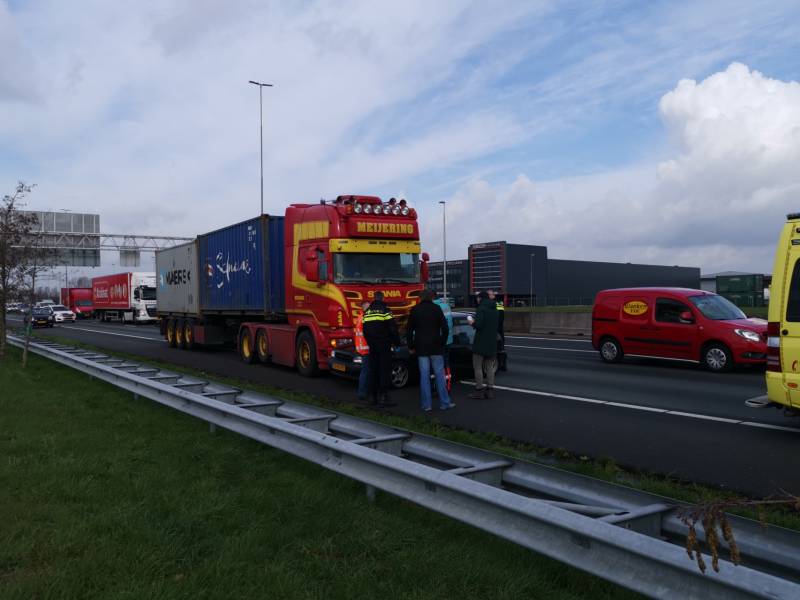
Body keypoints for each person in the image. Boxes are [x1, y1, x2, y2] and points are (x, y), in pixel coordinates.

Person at [407, 289, 453, 412]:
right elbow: (445, 328)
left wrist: (411, 346)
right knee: (439, 375)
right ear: (432, 297)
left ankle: (426, 405)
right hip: (436, 347)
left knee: (424, 376)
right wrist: (442, 342)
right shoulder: (437, 309)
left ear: (420, 298)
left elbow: (409, 330)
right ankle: (445, 402)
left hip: (421, 347)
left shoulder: (415, 310)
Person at [363, 291, 401, 407]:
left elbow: (364, 330)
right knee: (384, 371)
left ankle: (371, 397)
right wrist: (397, 342)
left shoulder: (367, 312)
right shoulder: (385, 310)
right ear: (383, 298)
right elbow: (392, 328)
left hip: (372, 346)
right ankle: (383, 397)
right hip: (384, 345)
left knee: (373, 370)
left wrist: (370, 342)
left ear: (374, 298)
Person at [469, 290, 499, 399]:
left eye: (478, 298)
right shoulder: (495, 310)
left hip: (481, 342)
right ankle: (490, 389)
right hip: (491, 342)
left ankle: (479, 390)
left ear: (481, 298)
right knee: (489, 367)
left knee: (477, 367)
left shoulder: (481, 309)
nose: (477, 300)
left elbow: (479, 325)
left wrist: (472, 322)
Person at [353, 301, 371, 402]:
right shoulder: (365, 318)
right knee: (366, 372)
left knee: (365, 371)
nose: (370, 309)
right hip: (366, 349)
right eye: (368, 307)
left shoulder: (360, 317)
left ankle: (362, 392)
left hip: (362, 348)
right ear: (364, 307)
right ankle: (363, 393)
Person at [433, 292, 454, 376]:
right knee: (446, 362)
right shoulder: (446, 306)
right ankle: (448, 381)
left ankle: (437, 383)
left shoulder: (433, 307)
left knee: (437, 364)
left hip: (438, 340)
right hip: (448, 340)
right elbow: (450, 322)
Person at [489, 290, 507, 371]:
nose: (488, 296)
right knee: (501, 348)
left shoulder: (495, 303)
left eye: (489, 295)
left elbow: (501, 317)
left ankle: (501, 365)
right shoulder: (498, 303)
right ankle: (502, 365)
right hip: (498, 328)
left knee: (499, 348)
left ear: (493, 295)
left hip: (496, 329)